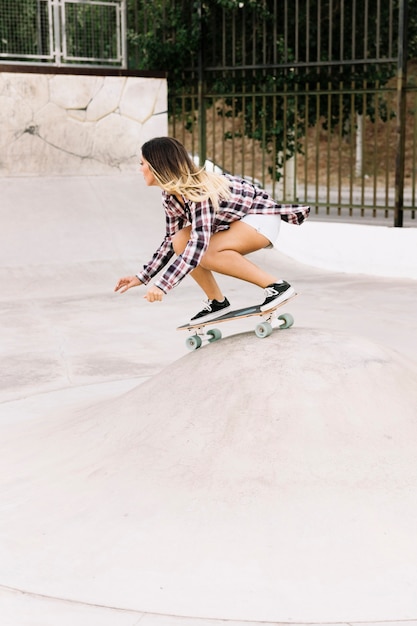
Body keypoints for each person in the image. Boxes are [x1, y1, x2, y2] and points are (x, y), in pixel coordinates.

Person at [114, 137, 310, 323]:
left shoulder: (198, 191)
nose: (140, 169)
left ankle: (277, 286)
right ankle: (217, 302)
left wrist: (163, 285)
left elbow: (199, 244)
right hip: (238, 221)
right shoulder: (170, 196)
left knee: (204, 251)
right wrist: (143, 277)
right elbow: (170, 241)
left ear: (157, 166)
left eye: (142, 163)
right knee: (180, 240)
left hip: (261, 217)